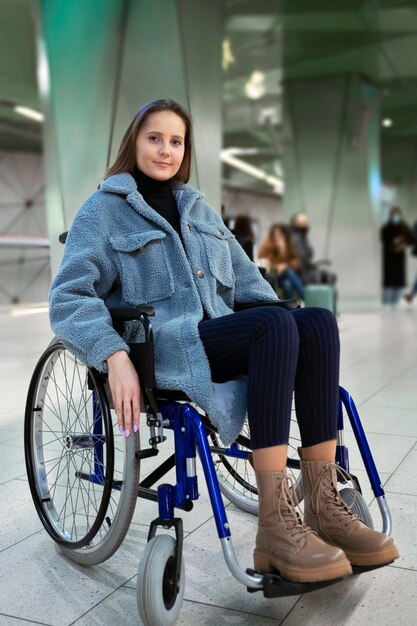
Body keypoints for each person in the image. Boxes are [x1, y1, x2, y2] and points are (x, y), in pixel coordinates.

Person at [49, 98, 398, 584]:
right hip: (166, 344)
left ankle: (322, 502)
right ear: (134, 143)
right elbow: (68, 298)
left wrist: (291, 319)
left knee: (315, 321)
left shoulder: (199, 209)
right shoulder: (103, 211)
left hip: (217, 333)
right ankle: (276, 527)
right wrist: (113, 355)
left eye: (176, 141)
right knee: (273, 327)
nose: (166, 150)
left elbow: (249, 284)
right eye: (155, 138)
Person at [257, 223, 305, 299]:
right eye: (275, 234)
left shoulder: (288, 244)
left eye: (280, 234)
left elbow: (296, 261)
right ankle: (305, 296)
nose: (277, 236)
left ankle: (289, 307)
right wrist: (279, 250)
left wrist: (285, 265)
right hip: (272, 275)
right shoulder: (268, 244)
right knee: (288, 271)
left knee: (287, 284)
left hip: (284, 276)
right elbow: (264, 261)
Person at [380, 207, 415, 306]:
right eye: (394, 215)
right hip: (389, 259)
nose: (396, 217)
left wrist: (403, 243)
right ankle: (386, 304)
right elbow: (385, 241)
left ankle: (395, 304)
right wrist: (394, 243)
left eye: (397, 215)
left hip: (399, 260)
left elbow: (412, 239)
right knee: (389, 284)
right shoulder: (386, 228)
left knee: (398, 284)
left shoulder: (404, 227)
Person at [289, 213, 336, 285]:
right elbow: (303, 256)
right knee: (327, 276)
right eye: (302, 222)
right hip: (301, 272)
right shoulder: (296, 237)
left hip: (305, 270)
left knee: (328, 276)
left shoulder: (301, 237)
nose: (305, 224)